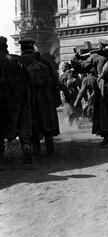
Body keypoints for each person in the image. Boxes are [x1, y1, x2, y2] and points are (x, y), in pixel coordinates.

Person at [71, 39, 108, 148]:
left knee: (104, 112)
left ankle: (106, 136)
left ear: (100, 46)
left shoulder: (96, 56)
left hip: (104, 88)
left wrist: (75, 57)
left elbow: (81, 67)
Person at [19, 38, 60, 156]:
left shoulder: (20, 61)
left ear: (22, 48)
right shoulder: (45, 61)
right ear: (32, 47)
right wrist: (55, 98)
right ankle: (50, 149)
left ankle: (36, 151)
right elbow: (54, 81)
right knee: (47, 124)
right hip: (46, 98)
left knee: (33, 124)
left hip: (29, 98)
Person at [0, 36, 33, 164]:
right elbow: (28, 78)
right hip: (19, 98)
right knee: (23, 124)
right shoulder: (17, 60)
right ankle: (26, 148)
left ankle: (1, 157)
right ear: (6, 47)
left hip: (2, 100)